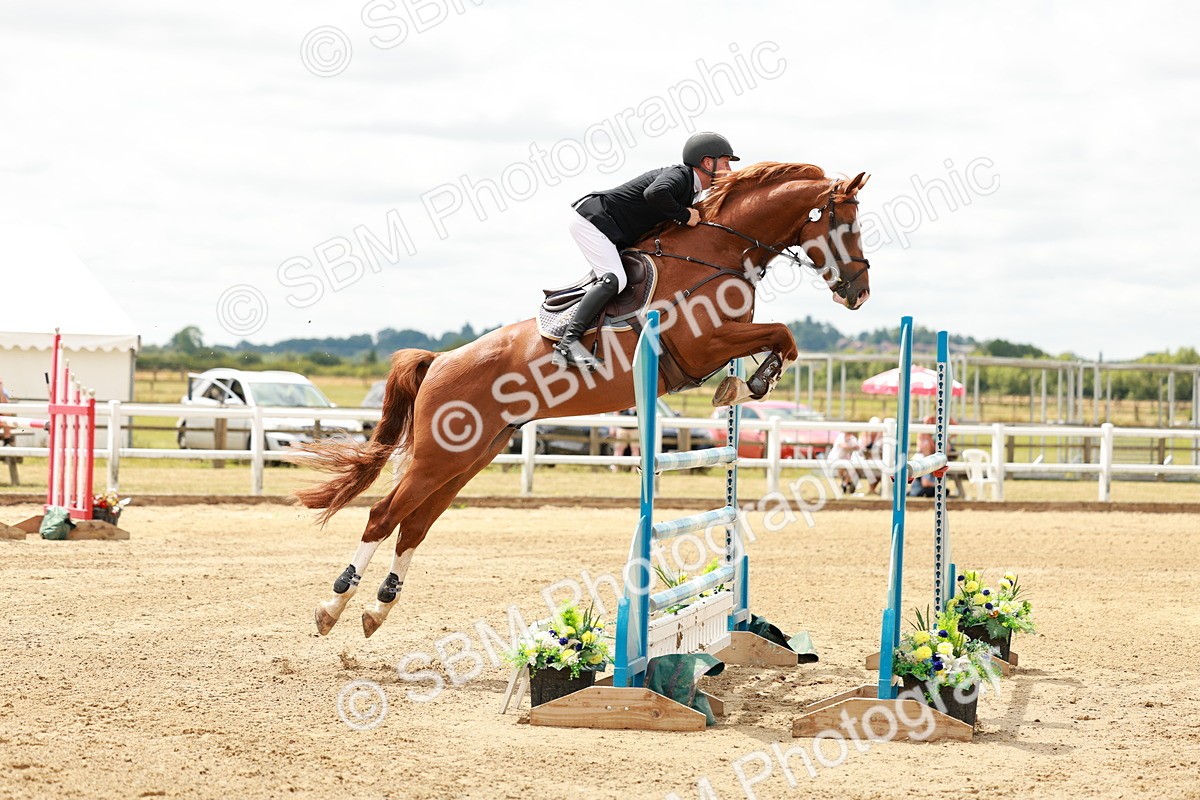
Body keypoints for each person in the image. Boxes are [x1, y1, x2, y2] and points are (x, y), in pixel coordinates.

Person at [553, 131, 740, 370]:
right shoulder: (681, 176)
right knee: (615, 280)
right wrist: (684, 215)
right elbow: (654, 193)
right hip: (593, 220)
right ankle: (567, 345)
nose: (729, 171)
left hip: (610, 228)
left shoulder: (693, 190)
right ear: (707, 162)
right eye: (725, 164)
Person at [827, 429, 862, 496]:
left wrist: (852, 447)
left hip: (846, 458)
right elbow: (843, 446)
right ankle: (845, 483)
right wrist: (852, 447)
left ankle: (845, 484)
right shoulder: (841, 436)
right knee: (842, 469)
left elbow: (857, 447)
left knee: (852, 470)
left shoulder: (852, 438)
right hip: (835, 457)